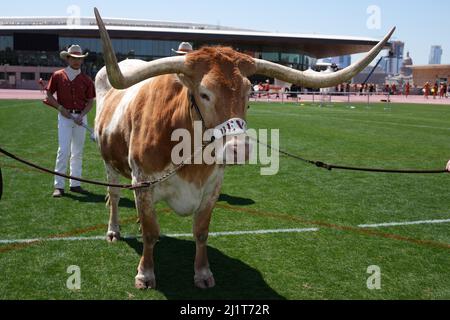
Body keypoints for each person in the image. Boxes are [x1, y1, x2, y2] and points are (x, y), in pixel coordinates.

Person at [45, 45, 96, 198]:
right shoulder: (58, 75)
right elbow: (48, 94)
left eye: (79, 59)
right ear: (67, 58)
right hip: (65, 117)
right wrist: (60, 108)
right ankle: (58, 186)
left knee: (78, 152)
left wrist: (82, 115)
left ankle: (75, 183)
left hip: (80, 118)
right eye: (73, 58)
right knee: (64, 150)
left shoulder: (87, 80)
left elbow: (90, 102)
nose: (76, 61)